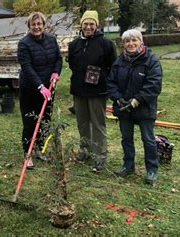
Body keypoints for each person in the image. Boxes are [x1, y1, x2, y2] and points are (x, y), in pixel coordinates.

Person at [107, 29, 162, 185]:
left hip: (144, 108)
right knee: (126, 139)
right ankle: (128, 165)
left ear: (141, 41)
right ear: (123, 44)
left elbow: (154, 84)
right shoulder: (119, 61)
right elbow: (111, 82)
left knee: (148, 139)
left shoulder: (151, 60)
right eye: (127, 41)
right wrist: (117, 98)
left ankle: (152, 170)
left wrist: (138, 99)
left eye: (134, 40)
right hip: (124, 108)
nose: (130, 44)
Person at [68, 10, 117, 172]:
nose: (88, 27)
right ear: (81, 25)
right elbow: (72, 65)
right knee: (82, 124)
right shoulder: (74, 45)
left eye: (91, 24)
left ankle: (99, 158)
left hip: (98, 92)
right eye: (86, 24)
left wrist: (104, 81)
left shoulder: (106, 44)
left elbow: (112, 67)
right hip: (79, 91)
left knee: (98, 125)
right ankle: (85, 151)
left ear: (97, 25)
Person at [17, 12, 62, 169]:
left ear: (44, 25)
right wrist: (39, 86)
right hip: (31, 89)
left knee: (45, 120)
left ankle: (39, 149)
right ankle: (27, 153)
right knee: (30, 121)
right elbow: (27, 67)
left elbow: (58, 58)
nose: (36, 27)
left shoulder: (51, 39)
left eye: (39, 24)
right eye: (33, 24)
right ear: (29, 26)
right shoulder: (24, 44)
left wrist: (56, 72)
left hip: (48, 88)